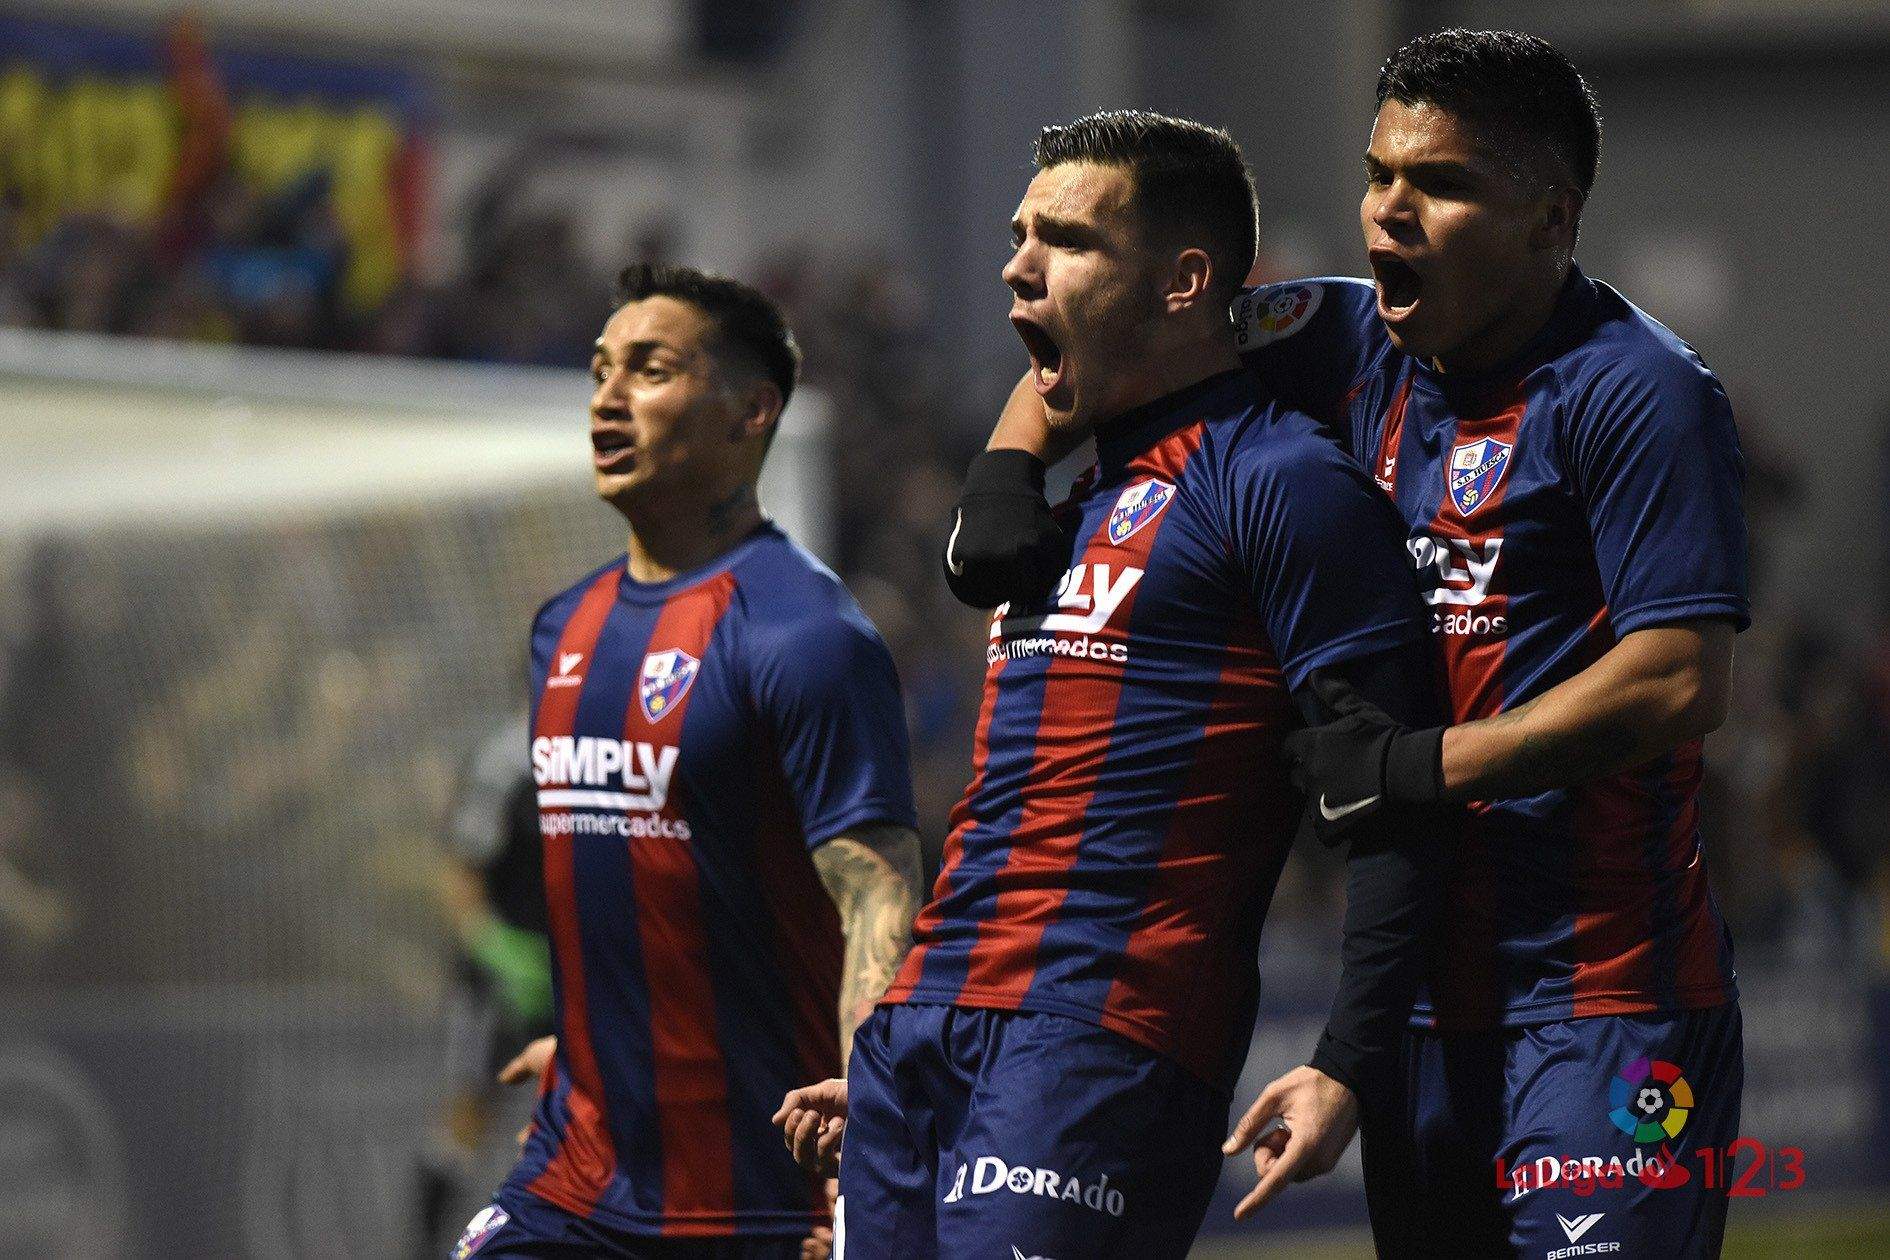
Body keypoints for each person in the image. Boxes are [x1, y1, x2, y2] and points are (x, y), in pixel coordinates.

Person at [944, 30, 1749, 1259]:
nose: (1389, 212)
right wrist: (1007, 471)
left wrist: (1426, 765)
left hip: (1605, 994)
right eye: (1380, 174)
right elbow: (1112, 338)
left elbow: (1681, 680)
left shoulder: (1638, 389)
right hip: (1424, 1002)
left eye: (1441, 184)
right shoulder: (1333, 334)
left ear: (1549, 218)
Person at [778, 111, 1452, 1260]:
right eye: (1018, 233)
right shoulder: (1060, 507)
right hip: (922, 1042)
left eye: (1067, 240)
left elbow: (1394, 799)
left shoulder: (1283, 484)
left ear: (1185, 282)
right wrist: (918, 1050)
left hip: (1100, 1045)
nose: (1016, 265)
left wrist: (1351, 1056)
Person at [453, 264, 924, 1260]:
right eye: (598, 372)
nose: (608, 399)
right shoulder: (560, 628)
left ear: (752, 411)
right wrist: (595, 1048)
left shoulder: (807, 635)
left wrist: (867, 1123)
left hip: (756, 1202)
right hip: (572, 1175)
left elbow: (875, 894)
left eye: (651, 369)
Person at [414, 715, 554, 1256]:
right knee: (470, 1113)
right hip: (504, 978)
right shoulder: (507, 758)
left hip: (573, 972)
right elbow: (461, 866)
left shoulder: (605, 744)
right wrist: (496, 949)